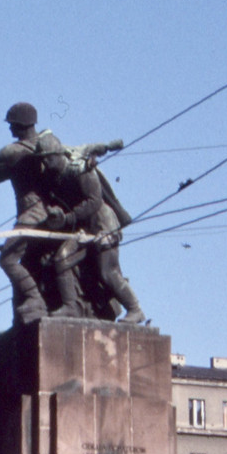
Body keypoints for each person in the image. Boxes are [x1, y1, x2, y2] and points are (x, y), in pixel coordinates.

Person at [39, 139, 145, 324]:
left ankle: (135, 309)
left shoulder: (79, 169)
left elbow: (94, 200)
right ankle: (71, 306)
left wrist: (69, 217)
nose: (44, 164)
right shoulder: (53, 177)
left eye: (47, 159)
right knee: (61, 259)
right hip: (83, 225)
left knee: (108, 272)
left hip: (102, 222)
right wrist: (56, 215)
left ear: (57, 155)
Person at [0, 102, 61, 323]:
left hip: (31, 215)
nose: (10, 130)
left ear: (19, 125)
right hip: (55, 215)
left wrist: (10, 168)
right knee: (34, 263)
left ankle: (36, 299)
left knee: (7, 259)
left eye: (12, 125)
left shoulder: (12, 151)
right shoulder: (50, 146)